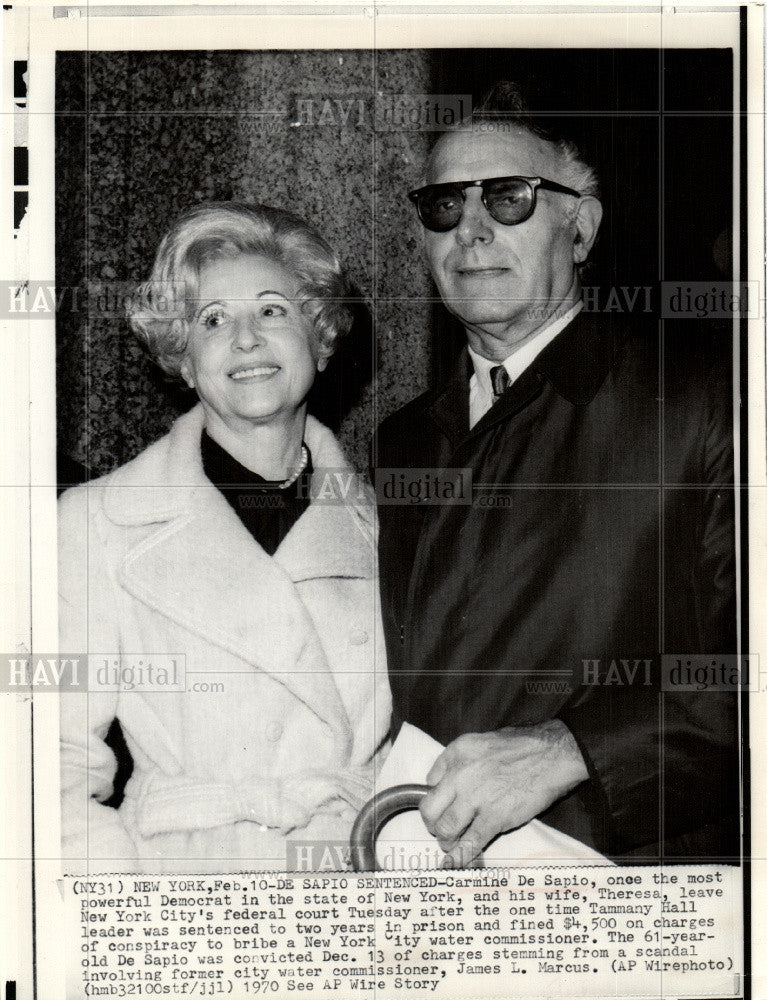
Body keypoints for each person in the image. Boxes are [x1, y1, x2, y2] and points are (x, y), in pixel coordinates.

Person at [375, 83, 738, 865]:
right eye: (443, 207)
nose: (470, 230)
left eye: (508, 199)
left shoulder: (705, 396)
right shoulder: (401, 441)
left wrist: (570, 748)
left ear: (580, 227)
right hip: (433, 879)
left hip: (633, 883)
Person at [59, 202, 391, 873]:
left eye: (272, 310)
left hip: (360, 884)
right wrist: (127, 916)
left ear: (319, 336)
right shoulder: (98, 522)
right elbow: (48, 765)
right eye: (213, 320)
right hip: (186, 892)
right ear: (184, 358)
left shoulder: (390, 525)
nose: (245, 338)